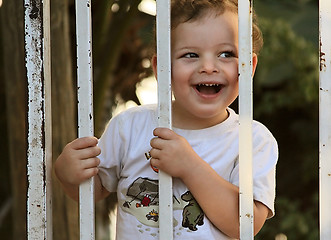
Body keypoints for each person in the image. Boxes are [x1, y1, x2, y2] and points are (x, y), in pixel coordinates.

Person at [54, 0, 278, 239]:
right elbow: (95, 190)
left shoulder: (253, 140)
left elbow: (245, 226)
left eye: (226, 54)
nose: (209, 67)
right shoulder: (130, 126)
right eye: (190, 54)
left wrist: (190, 166)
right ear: (162, 68)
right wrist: (69, 175)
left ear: (249, 66)